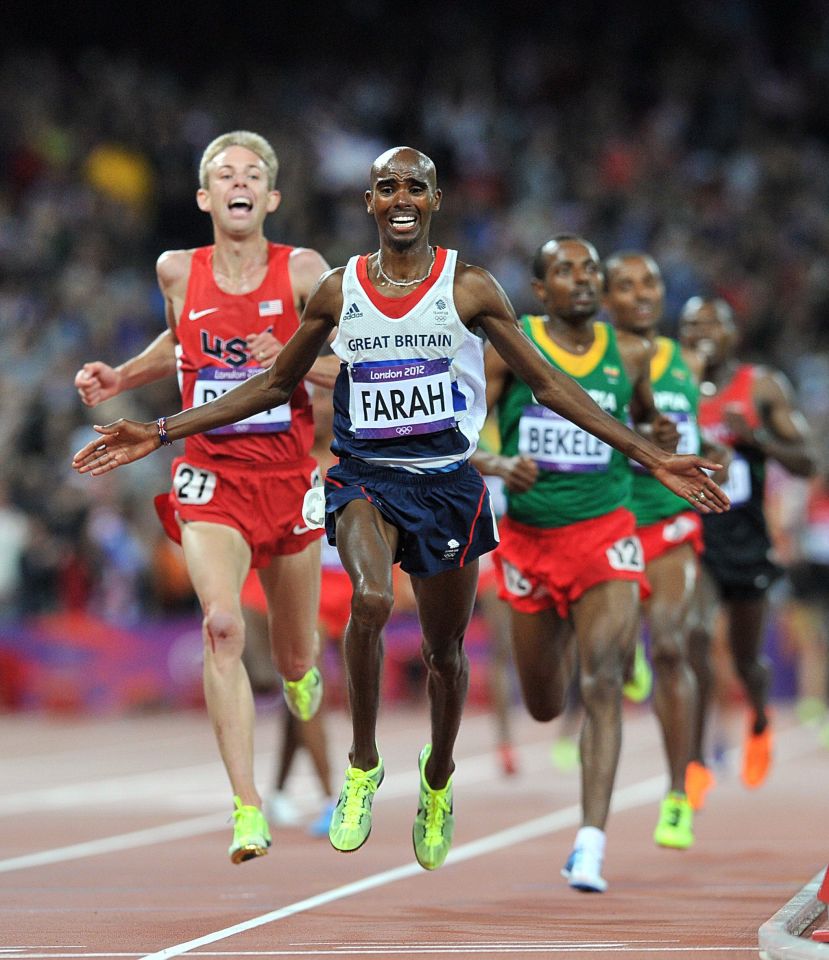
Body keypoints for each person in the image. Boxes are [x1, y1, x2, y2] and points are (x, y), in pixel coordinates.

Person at [72, 148, 728, 876]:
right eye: (388, 187)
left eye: (416, 186)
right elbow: (271, 385)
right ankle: (361, 765)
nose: (402, 197)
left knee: (446, 656)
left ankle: (437, 780)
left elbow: (545, 384)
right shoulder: (335, 290)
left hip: (446, 487)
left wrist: (651, 453)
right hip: (365, 481)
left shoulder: (468, 287)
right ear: (370, 202)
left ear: (435, 199)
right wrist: (158, 430)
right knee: (373, 597)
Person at [74, 130, 339, 864]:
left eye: (253, 174)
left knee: (293, 659)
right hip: (209, 474)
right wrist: (121, 379)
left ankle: (302, 671)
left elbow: (356, 367)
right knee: (222, 627)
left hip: (286, 478)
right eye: (224, 175)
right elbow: (179, 345)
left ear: (271, 197)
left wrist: (293, 359)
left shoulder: (303, 272)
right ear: (204, 196)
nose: (238, 182)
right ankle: (247, 809)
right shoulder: (175, 270)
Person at [470, 234, 713, 892]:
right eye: (563, 271)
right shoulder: (511, 350)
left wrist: (658, 439)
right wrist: (496, 463)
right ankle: (571, 693)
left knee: (602, 681)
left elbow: (638, 421)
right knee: (547, 705)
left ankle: (589, 842)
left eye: (588, 269)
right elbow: (455, 432)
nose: (580, 279)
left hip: (605, 533)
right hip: (527, 543)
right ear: (542, 291)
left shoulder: (628, 352)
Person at [678, 296, 815, 808]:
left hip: (748, 539)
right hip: (692, 534)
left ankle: (758, 717)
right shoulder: (671, 380)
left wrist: (754, 437)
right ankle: (692, 761)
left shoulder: (762, 386)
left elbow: (806, 460)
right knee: (693, 635)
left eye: (713, 324)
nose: (702, 333)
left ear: (734, 333)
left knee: (745, 659)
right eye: (692, 326)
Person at [603, 250, 718, 850]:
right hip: (610, 521)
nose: (642, 294)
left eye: (650, 282)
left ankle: (677, 792)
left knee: (672, 644)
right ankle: (626, 656)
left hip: (671, 522)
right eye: (626, 285)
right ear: (606, 297)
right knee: (609, 655)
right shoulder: (595, 358)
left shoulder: (686, 358)